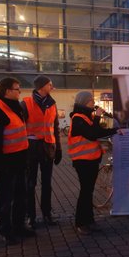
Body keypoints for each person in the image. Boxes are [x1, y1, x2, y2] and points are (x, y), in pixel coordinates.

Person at [0, 77, 35, 245]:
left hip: (20, 160)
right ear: (7, 91)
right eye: (17, 89)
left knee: (22, 195)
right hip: (6, 163)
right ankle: (6, 230)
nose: (19, 92)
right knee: (6, 198)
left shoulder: (16, 107)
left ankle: (19, 225)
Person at [69, 91, 120, 235]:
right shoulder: (78, 118)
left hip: (91, 160)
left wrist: (115, 130)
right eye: (91, 100)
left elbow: (98, 131)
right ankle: (80, 222)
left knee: (88, 191)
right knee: (85, 192)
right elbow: (92, 134)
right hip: (82, 162)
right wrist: (97, 116)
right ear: (84, 102)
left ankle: (89, 221)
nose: (93, 102)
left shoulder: (88, 117)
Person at [21, 75, 62, 229]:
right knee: (30, 184)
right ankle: (30, 216)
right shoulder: (26, 103)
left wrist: (59, 148)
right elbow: (20, 127)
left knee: (47, 183)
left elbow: (55, 127)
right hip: (31, 148)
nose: (52, 86)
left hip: (48, 148)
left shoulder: (52, 103)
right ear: (42, 86)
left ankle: (47, 214)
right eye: (50, 84)